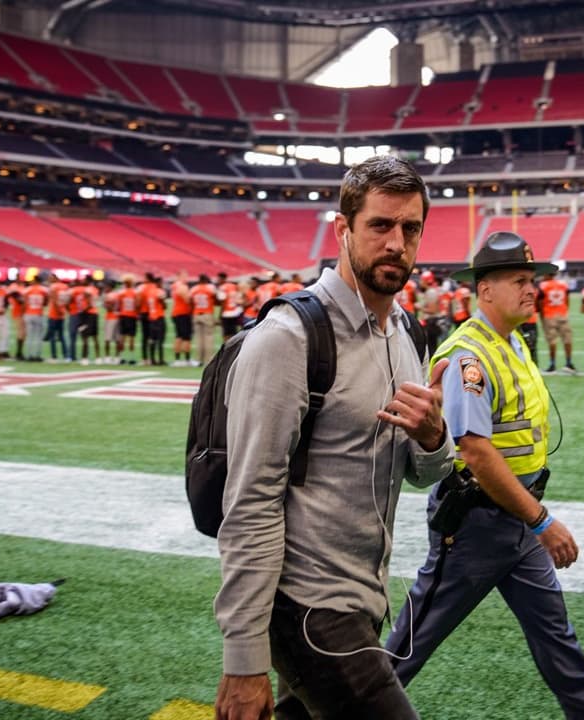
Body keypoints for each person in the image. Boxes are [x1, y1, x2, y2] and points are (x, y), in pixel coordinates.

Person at [214, 155, 454, 720]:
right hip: (307, 606)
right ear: (343, 229)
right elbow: (250, 500)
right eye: (380, 225)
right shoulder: (288, 337)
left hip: (366, 599)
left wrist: (433, 434)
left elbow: (424, 473)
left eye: (410, 228)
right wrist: (244, 658)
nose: (397, 243)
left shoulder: (405, 331)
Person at [384, 231, 584, 719]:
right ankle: (342, 708)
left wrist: (531, 519)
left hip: (514, 517)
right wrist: (541, 521)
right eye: (519, 280)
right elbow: (475, 451)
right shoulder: (470, 355)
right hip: (478, 523)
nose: (531, 288)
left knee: (558, 640)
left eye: (532, 280)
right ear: (485, 289)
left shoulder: (512, 341)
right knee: (410, 644)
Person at [538, 271, 575, 373]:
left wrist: (542, 314)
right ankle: (568, 362)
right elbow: (567, 299)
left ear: (547, 275)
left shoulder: (543, 285)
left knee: (552, 341)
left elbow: (540, 302)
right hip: (562, 315)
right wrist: (565, 310)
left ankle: (552, 364)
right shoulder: (563, 284)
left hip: (549, 315)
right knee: (567, 339)